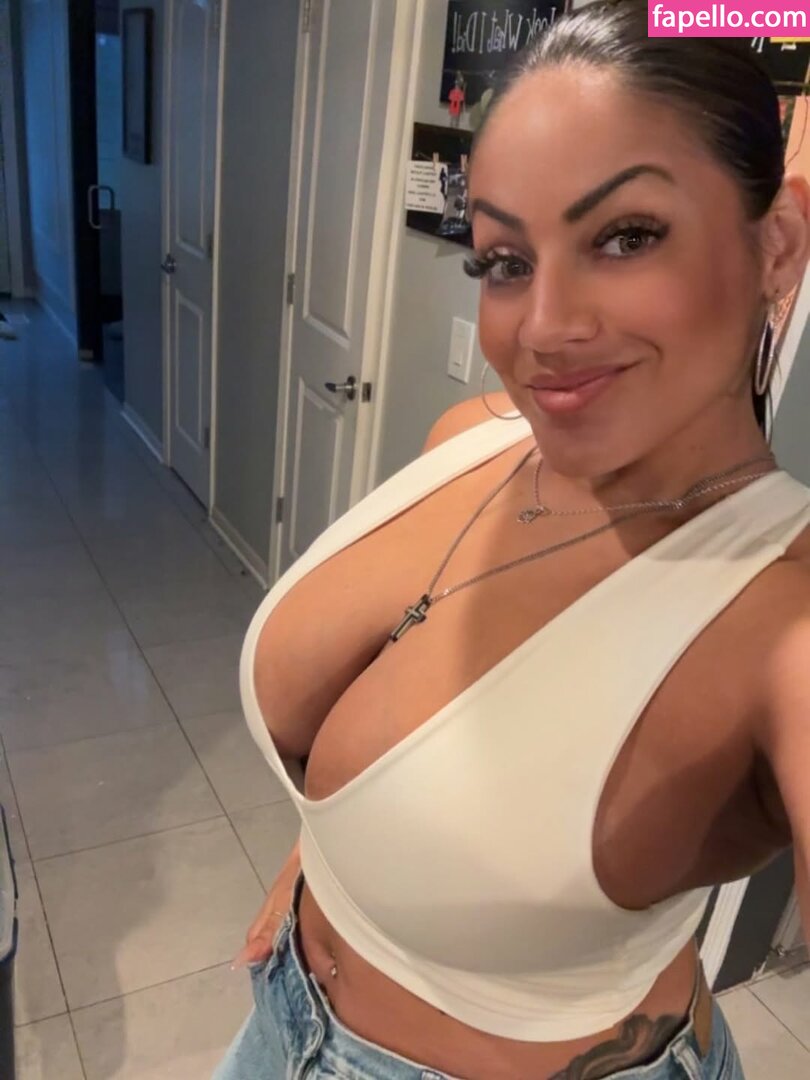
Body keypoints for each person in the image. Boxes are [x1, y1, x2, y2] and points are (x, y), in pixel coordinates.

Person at [214, 3, 810, 1077]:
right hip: (282, 1021)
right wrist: (337, 856)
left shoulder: (784, 618)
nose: (543, 326)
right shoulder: (472, 438)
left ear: (778, 243)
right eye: (503, 259)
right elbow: (383, 747)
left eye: (627, 236)